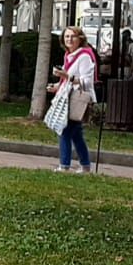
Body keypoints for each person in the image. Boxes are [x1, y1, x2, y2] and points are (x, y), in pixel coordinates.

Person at [50, 26, 97, 173]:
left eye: (73, 36)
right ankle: (85, 166)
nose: (69, 39)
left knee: (63, 130)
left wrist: (66, 76)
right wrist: (57, 86)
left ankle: (64, 166)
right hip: (68, 96)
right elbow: (67, 79)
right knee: (76, 135)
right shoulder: (69, 56)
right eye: (67, 36)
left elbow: (87, 82)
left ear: (80, 39)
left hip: (77, 99)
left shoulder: (84, 56)